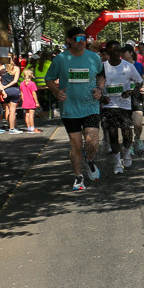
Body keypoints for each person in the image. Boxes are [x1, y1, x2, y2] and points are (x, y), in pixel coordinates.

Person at [46, 28, 105, 190]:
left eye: (83, 38)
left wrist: (100, 89)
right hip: (70, 108)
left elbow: (101, 75)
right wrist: (56, 91)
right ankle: (78, 177)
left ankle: (90, 160)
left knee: (92, 142)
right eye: (77, 38)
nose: (81, 41)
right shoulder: (61, 59)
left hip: (91, 106)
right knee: (76, 144)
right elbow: (49, 79)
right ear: (69, 40)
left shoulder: (94, 57)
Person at [100, 40, 142, 173]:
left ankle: (127, 151)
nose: (115, 54)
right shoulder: (103, 67)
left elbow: (139, 83)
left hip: (124, 106)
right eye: (111, 51)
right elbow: (96, 86)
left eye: (117, 51)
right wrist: (102, 97)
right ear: (107, 53)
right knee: (112, 133)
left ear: (120, 52)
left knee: (126, 132)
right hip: (109, 106)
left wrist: (130, 91)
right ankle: (117, 162)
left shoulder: (128, 67)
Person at [121, 45, 144, 153]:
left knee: (137, 123)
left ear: (131, 53)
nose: (122, 55)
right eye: (121, 53)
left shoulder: (139, 65)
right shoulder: (120, 66)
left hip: (136, 96)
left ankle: (138, 138)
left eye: (125, 52)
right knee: (127, 124)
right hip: (124, 97)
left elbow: (143, 79)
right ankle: (129, 144)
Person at [0, 53, 21, 133]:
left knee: (7, 108)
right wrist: (6, 87)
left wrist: (2, 90)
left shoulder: (1, 68)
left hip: (4, 92)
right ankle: (12, 128)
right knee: (13, 110)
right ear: (12, 59)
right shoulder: (16, 68)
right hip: (14, 90)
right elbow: (15, 81)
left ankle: (10, 125)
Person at [33, 49, 54, 119]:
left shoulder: (37, 63)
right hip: (47, 85)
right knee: (49, 100)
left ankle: (43, 112)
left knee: (42, 100)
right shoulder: (49, 63)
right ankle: (48, 113)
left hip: (38, 85)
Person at [18, 69, 41, 133]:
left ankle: (29, 127)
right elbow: (34, 93)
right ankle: (32, 128)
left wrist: (23, 100)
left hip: (25, 101)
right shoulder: (32, 83)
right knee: (31, 115)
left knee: (27, 115)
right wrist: (36, 102)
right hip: (31, 101)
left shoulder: (22, 83)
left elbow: (22, 93)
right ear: (31, 75)